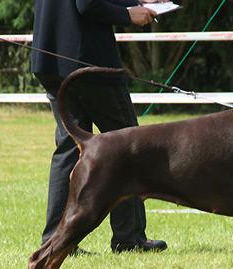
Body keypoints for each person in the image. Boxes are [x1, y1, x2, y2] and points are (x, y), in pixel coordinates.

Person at [31, 0, 168, 251]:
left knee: (68, 148)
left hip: (51, 58)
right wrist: (128, 14)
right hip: (87, 60)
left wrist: (136, 3)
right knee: (128, 145)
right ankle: (129, 238)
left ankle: (57, 239)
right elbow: (87, 5)